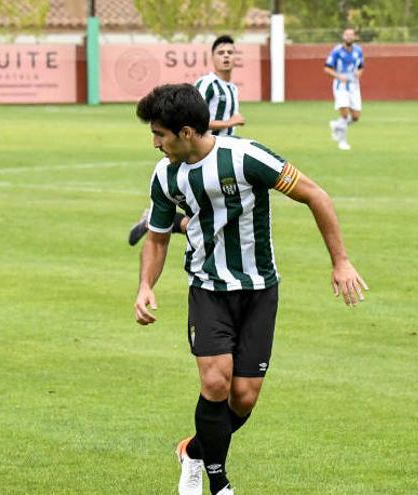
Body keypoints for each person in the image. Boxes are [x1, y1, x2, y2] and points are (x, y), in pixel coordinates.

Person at [132, 84, 368, 495]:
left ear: (186, 132)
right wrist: (145, 286)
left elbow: (314, 194)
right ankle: (220, 484)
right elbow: (156, 237)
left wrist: (341, 260)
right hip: (207, 287)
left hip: (260, 288)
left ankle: (192, 452)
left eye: (159, 134)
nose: (155, 143)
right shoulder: (165, 174)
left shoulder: (245, 157)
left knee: (243, 397)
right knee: (216, 384)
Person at [128, 35, 244, 245]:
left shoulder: (232, 88)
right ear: (212, 58)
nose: (226, 56)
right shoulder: (208, 84)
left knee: (215, 224)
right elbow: (190, 119)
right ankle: (162, 221)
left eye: (230, 52)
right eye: (221, 53)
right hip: (201, 158)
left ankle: (166, 221)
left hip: (224, 161)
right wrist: (228, 123)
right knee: (211, 224)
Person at [325, 28, 364, 151]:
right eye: (347, 35)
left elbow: (361, 67)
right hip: (340, 86)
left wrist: (359, 72)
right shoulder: (336, 51)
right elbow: (327, 68)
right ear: (343, 36)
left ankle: (336, 125)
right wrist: (338, 76)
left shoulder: (358, 50)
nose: (349, 37)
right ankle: (342, 142)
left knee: (356, 117)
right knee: (344, 114)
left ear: (354, 37)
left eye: (351, 35)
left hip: (354, 86)